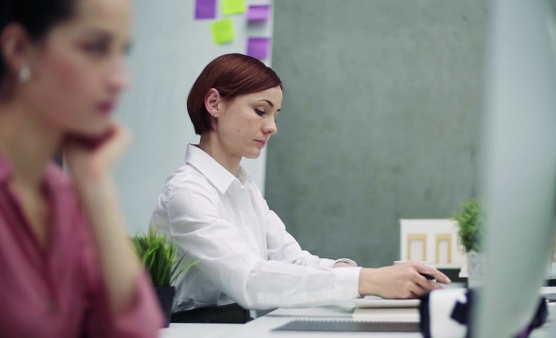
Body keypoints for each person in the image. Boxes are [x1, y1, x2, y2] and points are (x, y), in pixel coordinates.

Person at [150, 53, 451, 324]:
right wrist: (366, 281)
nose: (272, 127)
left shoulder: (244, 187)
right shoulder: (187, 192)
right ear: (214, 104)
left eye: (275, 115)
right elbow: (249, 279)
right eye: (260, 111)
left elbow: (293, 261)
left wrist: (360, 273)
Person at [0, 0, 163, 337]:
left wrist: (96, 185)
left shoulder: (64, 198)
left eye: (123, 52)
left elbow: (139, 331)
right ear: (18, 49)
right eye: (96, 48)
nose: (122, 80)